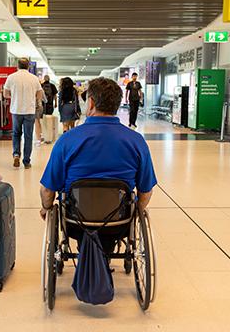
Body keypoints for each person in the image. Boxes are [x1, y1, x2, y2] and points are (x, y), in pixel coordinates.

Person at [39, 77, 157, 254]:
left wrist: (46, 208)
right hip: (119, 223)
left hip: (75, 223)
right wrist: (134, 215)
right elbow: (146, 192)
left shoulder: (67, 140)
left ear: (91, 103)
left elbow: (47, 191)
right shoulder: (136, 141)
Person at [3, 58, 43, 169]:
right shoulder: (34, 78)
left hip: (16, 110)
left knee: (16, 134)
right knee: (28, 136)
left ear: (18, 66)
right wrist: (35, 101)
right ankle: (26, 161)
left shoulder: (11, 77)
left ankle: (16, 154)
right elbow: (39, 94)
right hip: (29, 110)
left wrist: (14, 97)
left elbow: (5, 94)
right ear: (28, 66)